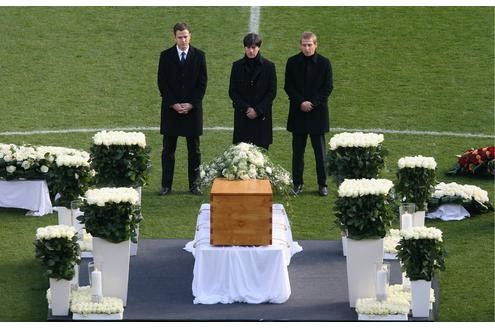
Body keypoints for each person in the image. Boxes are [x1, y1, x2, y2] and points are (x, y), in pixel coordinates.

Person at [157, 22, 207, 196]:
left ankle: (195, 185)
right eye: (180, 37)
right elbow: (162, 83)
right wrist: (174, 104)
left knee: (194, 150)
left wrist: (192, 103)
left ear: (190, 36)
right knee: (168, 150)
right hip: (171, 111)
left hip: (193, 111)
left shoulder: (200, 56)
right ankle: (166, 185)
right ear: (175, 37)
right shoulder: (165, 56)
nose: (183, 40)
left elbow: (202, 84)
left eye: (186, 36)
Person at [284, 31, 333, 197]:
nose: (306, 48)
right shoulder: (292, 62)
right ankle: (297, 183)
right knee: (297, 153)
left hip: (317, 114)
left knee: (320, 153)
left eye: (309, 45)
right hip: (299, 114)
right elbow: (288, 86)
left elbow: (328, 87)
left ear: (315, 45)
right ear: (300, 45)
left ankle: (322, 184)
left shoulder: (325, 63)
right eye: (304, 45)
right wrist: (301, 102)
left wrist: (312, 103)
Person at [229, 33, 277, 150]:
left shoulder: (269, 66)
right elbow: (232, 91)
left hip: (262, 119)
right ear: (244, 48)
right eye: (248, 47)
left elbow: (272, 92)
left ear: (259, 47)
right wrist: (246, 108)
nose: (251, 50)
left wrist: (257, 110)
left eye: (254, 47)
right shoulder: (237, 66)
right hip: (242, 117)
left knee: (262, 160)